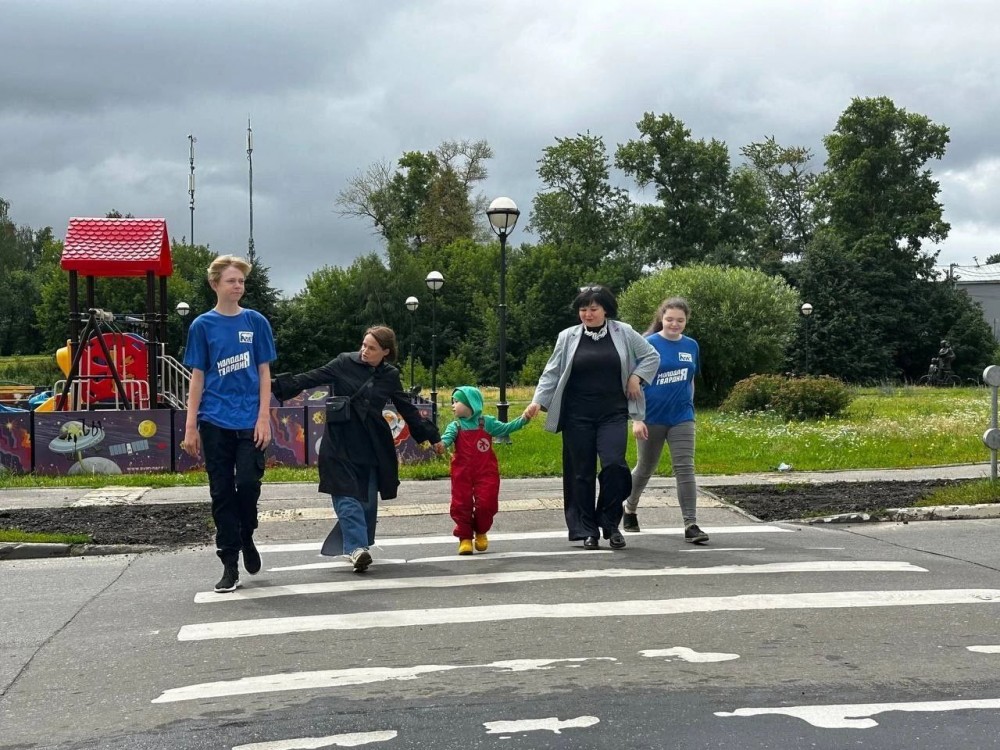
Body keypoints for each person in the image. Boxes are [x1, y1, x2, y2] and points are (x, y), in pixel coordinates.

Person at [271, 326, 442, 571]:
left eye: (372, 348)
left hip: (371, 443)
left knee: (367, 501)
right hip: (339, 440)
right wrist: (270, 384)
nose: (364, 351)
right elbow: (310, 378)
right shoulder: (344, 362)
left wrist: (433, 437)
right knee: (345, 493)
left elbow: (406, 407)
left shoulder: (390, 375)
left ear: (385, 352)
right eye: (364, 345)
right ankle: (356, 548)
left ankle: (358, 544)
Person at [524, 285, 659, 550]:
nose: (587, 314)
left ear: (605, 310)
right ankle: (586, 530)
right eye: (583, 309)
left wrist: (636, 376)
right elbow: (551, 372)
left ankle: (610, 523)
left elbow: (651, 356)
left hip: (613, 413)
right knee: (580, 474)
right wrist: (537, 401)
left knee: (615, 467)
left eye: (593, 309)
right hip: (577, 416)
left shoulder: (623, 331)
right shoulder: (567, 336)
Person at [181, 255, 276, 593]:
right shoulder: (202, 325)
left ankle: (246, 533)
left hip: (249, 420)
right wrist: (190, 426)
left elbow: (264, 373)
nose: (238, 286)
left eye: (241, 281)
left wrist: (263, 416)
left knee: (248, 483)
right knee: (221, 492)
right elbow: (197, 377)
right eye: (232, 281)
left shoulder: (256, 322)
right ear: (215, 284)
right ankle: (229, 563)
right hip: (214, 420)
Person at [623, 297, 708, 544]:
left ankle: (690, 524)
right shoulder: (648, 344)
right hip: (651, 417)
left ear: (686, 321)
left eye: (680, 320)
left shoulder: (691, 345)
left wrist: (689, 406)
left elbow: (690, 378)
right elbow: (633, 384)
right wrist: (636, 419)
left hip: (682, 417)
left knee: (685, 468)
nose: (674, 324)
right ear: (661, 318)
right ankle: (629, 507)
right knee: (645, 467)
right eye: (670, 319)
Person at [438, 385, 532, 555]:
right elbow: (446, 438)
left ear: (471, 403)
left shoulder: (487, 422)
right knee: (461, 504)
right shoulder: (455, 426)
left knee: (487, 503)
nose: (453, 405)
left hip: (486, 472)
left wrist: (524, 418)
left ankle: (481, 531)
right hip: (462, 473)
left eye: (456, 401)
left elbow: (506, 428)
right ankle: (465, 538)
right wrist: (442, 445)